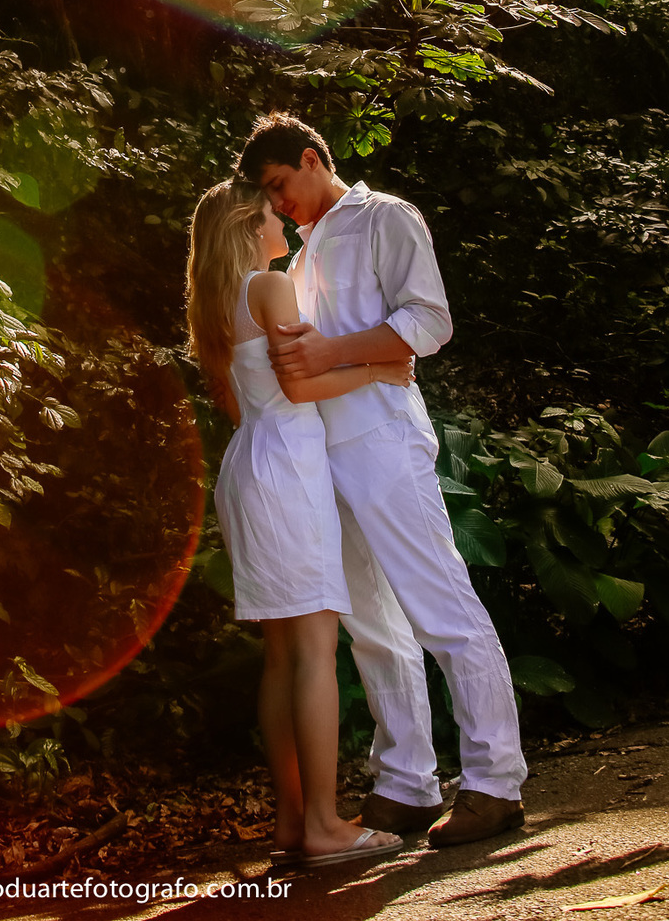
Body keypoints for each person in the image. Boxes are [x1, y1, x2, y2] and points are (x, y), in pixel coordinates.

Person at [236, 114, 527, 849]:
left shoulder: (385, 216)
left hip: (384, 440)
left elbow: (428, 322)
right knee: (372, 627)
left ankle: (496, 783)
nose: (280, 206)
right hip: (319, 455)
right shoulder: (297, 257)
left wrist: (336, 353)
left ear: (310, 159)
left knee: (441, 605)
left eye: (280, 186)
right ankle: (407, 782)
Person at [186, 177, 412, 868]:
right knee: (315, 649)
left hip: (251, 462)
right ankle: (322, 824)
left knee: (284, 654)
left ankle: (293, 818)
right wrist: (380, 366)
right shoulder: (269, 285)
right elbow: (303, 384)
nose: (281, 218)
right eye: (269, 212)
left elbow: (245, 398)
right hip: (287, 466)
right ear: (248, 228)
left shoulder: (215, 303)